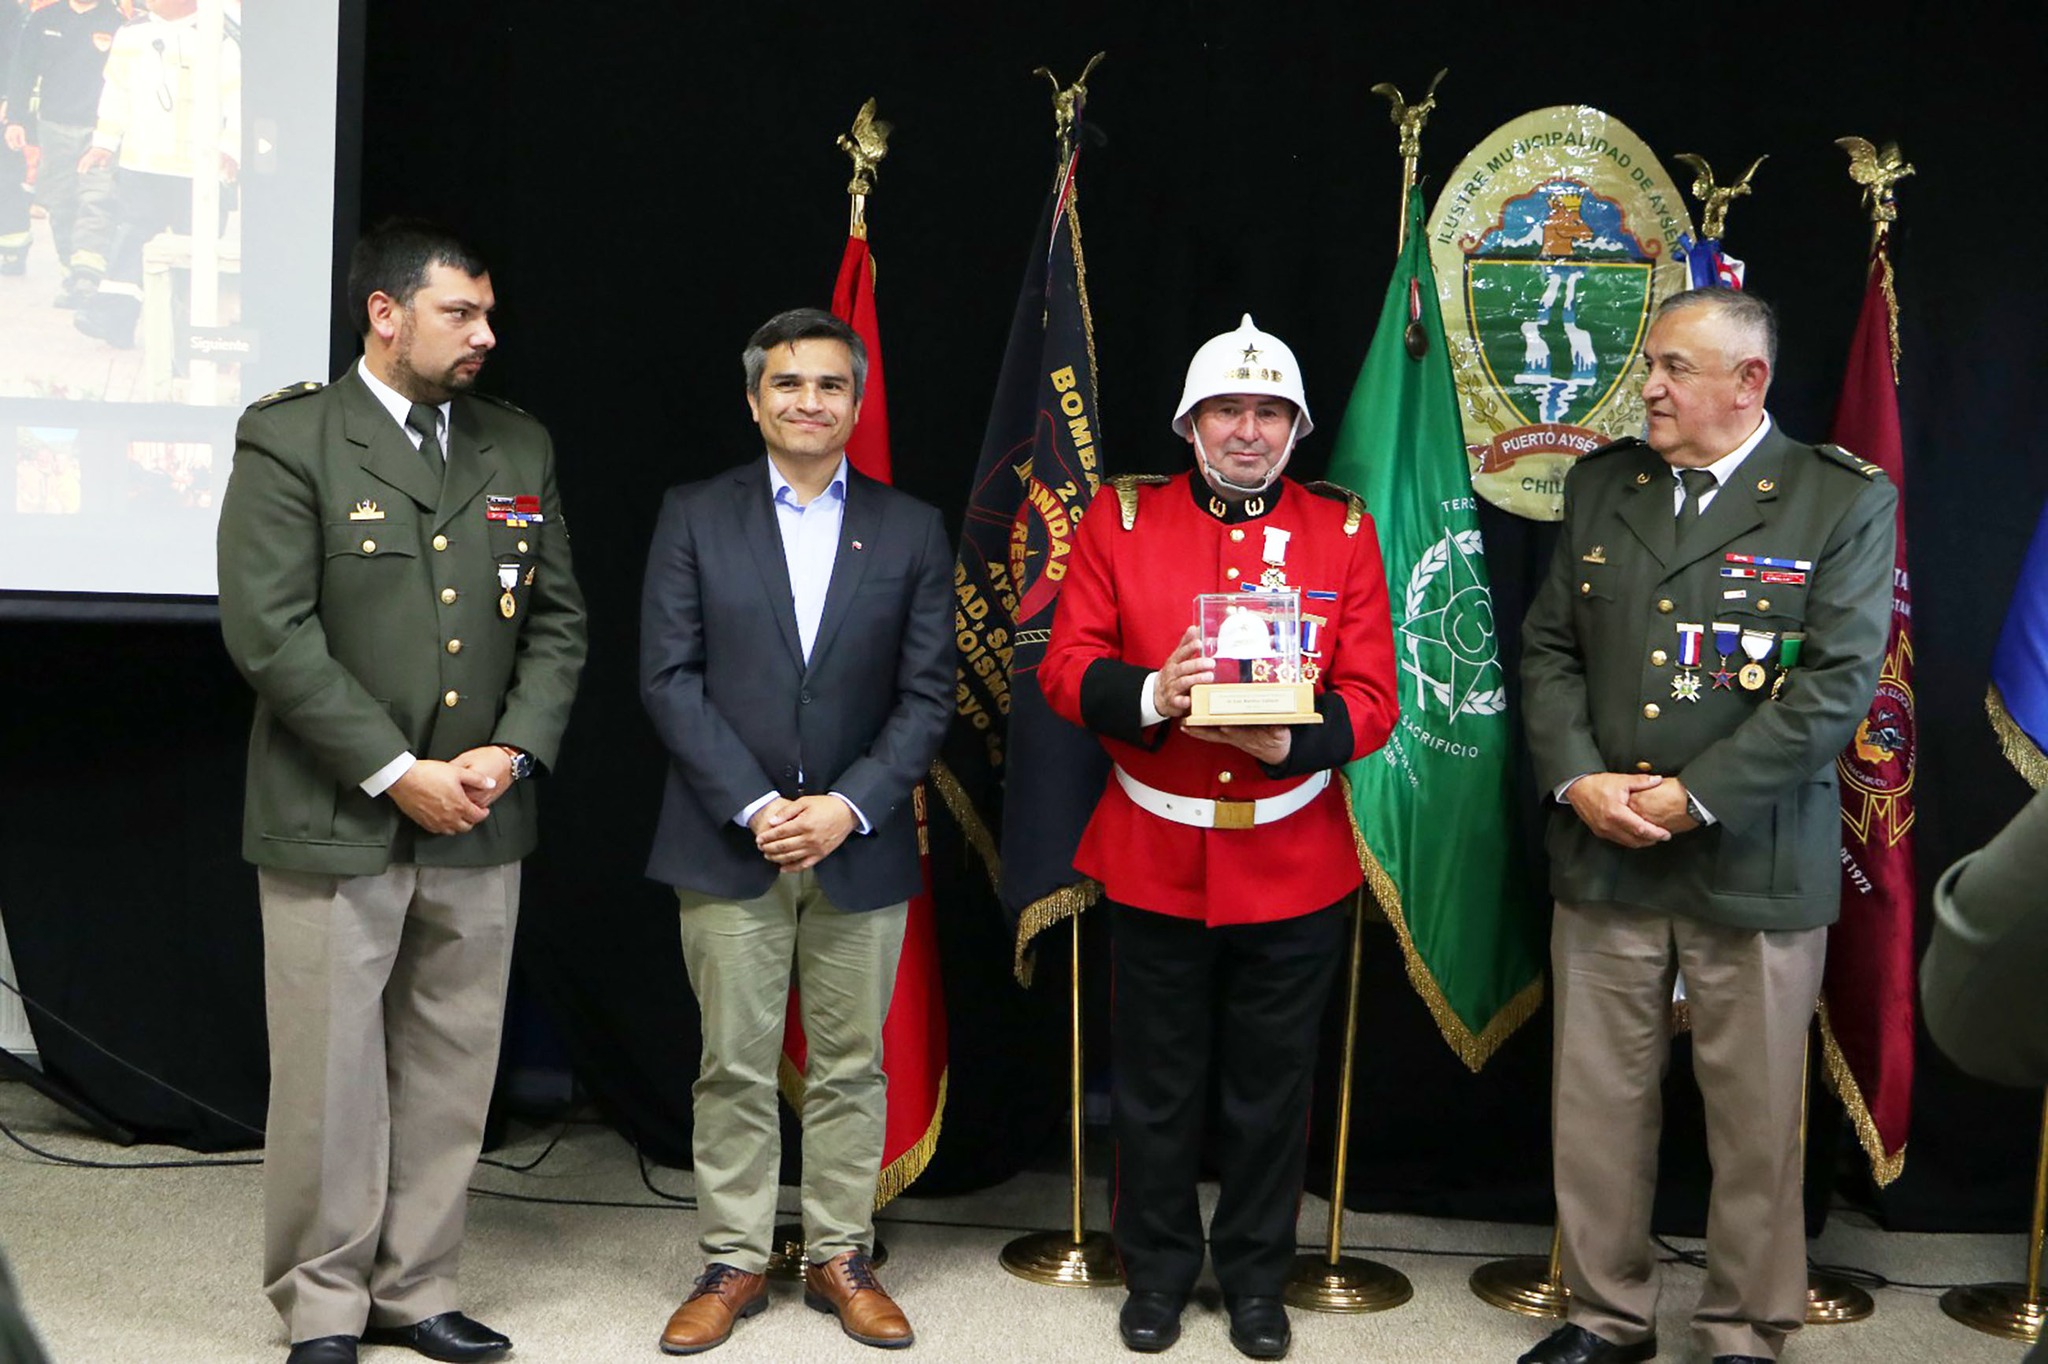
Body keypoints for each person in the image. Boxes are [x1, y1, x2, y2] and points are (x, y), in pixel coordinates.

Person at [217, 219, 587, 1364]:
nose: (485, 333)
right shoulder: (291, 440)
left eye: (485, 312)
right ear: (384, 314)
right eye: (458, 313)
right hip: (337, 812)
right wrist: (397, 771)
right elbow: (270, 634)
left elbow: (559, 625)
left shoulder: (514, 446)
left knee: (449, 1065)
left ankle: (416, 1285)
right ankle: (324, 1305)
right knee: (330, 1079)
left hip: (480, 815)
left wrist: (508, 754)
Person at [1517, 287, 1896, 1364]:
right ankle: (1602, 1311)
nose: (1648, 386)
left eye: (1674, 368)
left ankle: (1742, 1325)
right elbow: (1548, 650)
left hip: (1750, 852)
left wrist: (1695, 794)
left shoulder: (1835, 499)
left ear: (1747, 382)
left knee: (1753, 1116)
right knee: (1595, 1102)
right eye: (1650, 365)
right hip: (1602, 845)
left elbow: (1833, 686)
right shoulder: (1602, 485)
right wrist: (1577, 777)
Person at [1039, 314, 1399, 1360]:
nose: (1247, 429)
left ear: (1296, 426)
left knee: (1267, 1090)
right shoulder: (1121, 518)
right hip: (1155, 845)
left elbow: (1374, 695)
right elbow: (1066, 666)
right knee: (1154, 1088)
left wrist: (1299, 738)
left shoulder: (1340, 531)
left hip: (1291, 856)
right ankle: (1153, 1272)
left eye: (1268, 411)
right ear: (1189, 422)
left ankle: (1252, 1278)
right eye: (1227, 410)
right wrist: (1152, 689)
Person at [639, 307, 950, 1355]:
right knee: (730, 1057)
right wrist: (763, 806)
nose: (807, 401)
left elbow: (926, 696)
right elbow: (668, 680)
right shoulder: (693, 513)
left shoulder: (909, 527)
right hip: (729, 837)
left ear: (856, 405)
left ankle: (837, 1253)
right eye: (786, 384)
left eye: (828, 385)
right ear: (753, 399)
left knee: (853, 1061)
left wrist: (845, 804)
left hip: (857, 840)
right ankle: (733, 1256)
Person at [71, 0, 238, 346]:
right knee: (131, 238)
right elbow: (116, 92)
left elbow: (239, 99)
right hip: (142, 166)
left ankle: (186, 345)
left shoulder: (220, 36)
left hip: (199, 174)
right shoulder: (133, 34)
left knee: (193, 257)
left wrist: (232, 150)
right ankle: (112, 319)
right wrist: (103, 143)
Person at [2, 0, 118, 302]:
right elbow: (22, 71)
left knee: (96, 201)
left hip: (100, 131)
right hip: (54, 127)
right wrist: (15, 119)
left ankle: (88, 276)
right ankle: (72, 273)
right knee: (61, 204)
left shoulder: (117, 23)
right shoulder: (45, 20)